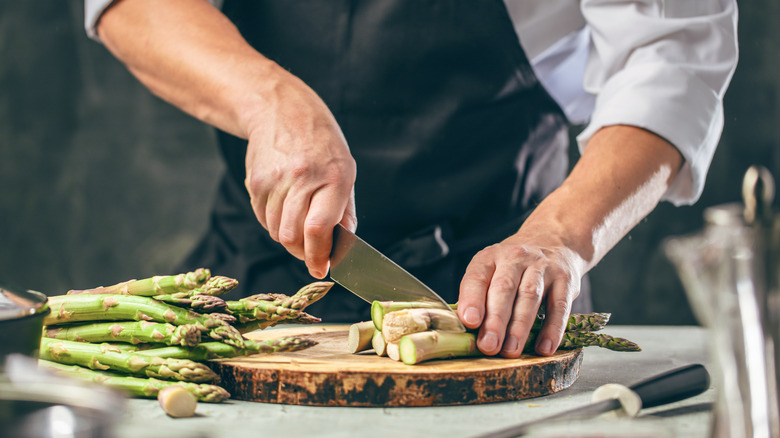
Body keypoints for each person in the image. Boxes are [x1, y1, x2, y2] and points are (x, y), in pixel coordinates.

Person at [83, 0, 738, 358]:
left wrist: (558, 237)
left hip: (498, 308)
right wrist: (270, 103)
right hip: (254, 290)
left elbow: (672, 56)